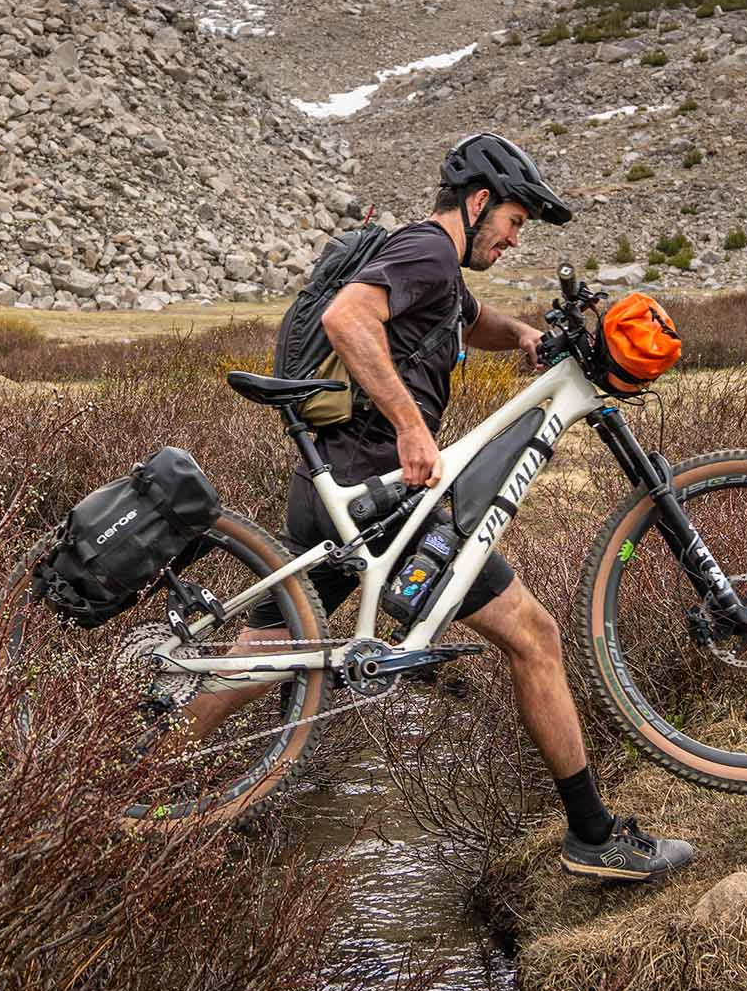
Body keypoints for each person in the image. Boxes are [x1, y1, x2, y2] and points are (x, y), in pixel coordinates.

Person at [186, 133, 694, 882]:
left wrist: (519, 333)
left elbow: (464, 313)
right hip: (380, 495)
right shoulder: (427, 248)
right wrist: (410, 423)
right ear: (480, 201)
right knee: (534, 634)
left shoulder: (433, 267)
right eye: (515, 220)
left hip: (330, 489)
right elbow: (348, 320)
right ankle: (592, 834)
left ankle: (135, 773)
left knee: (263, 654)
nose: (516, 237)